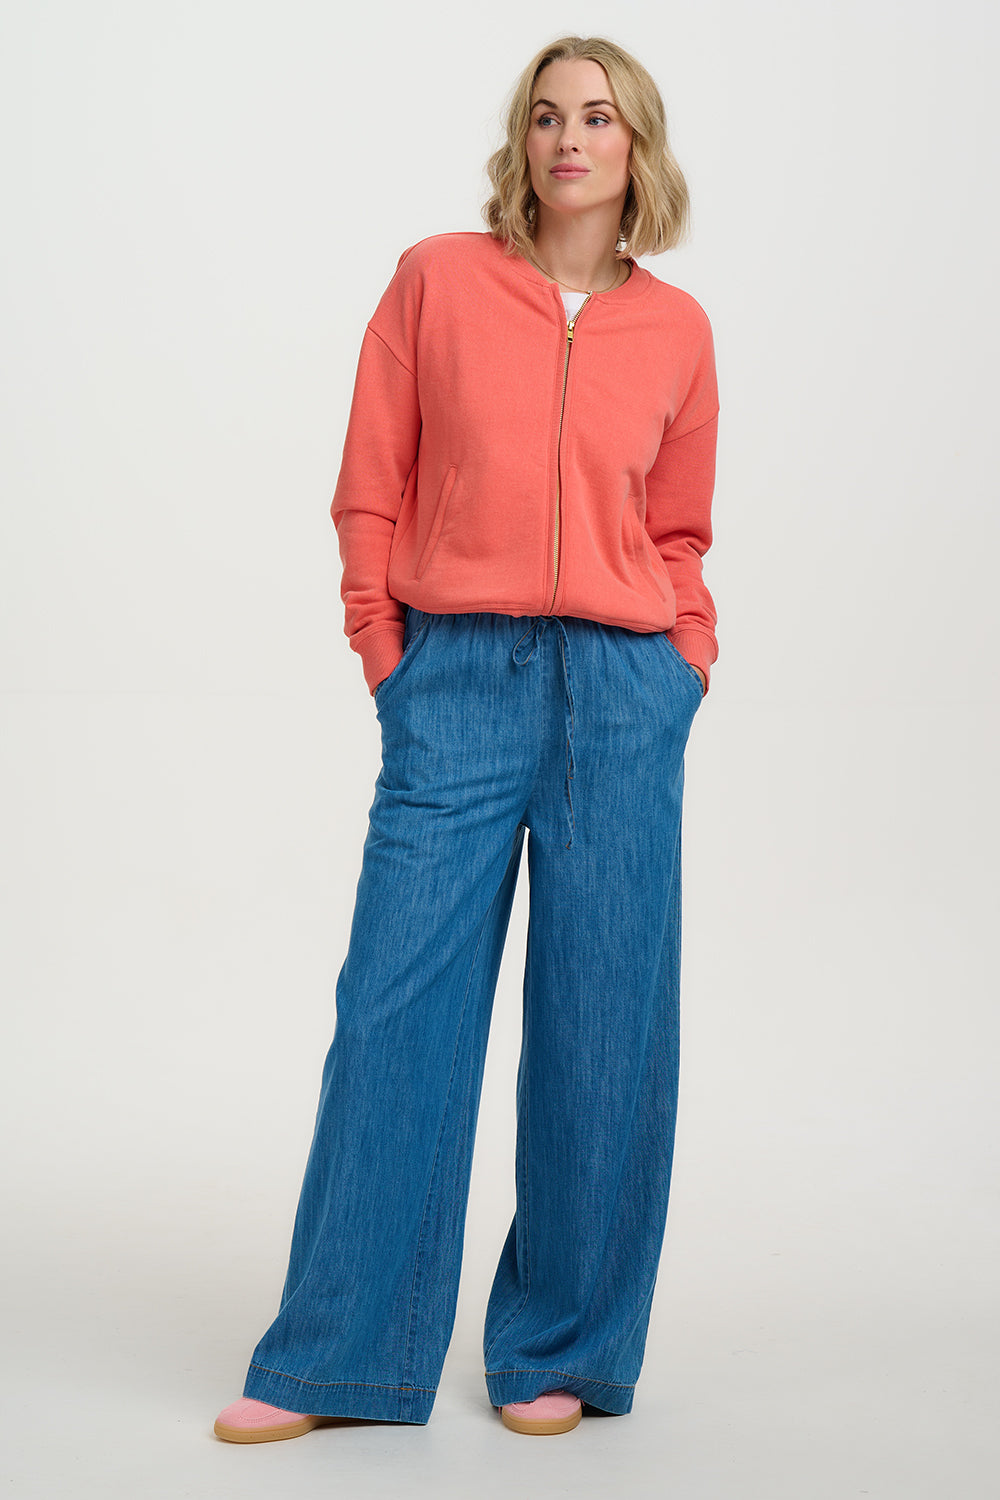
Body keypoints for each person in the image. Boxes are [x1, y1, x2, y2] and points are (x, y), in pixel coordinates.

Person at [214, 31, 719, 1443]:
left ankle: (559, 1345)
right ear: (522, 143)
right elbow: (370, 477)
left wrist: (684, 661)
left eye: (599, 119)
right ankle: (339, 1355)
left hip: (623, 694)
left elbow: (679, 527)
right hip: (459, 678)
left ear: (638, 151)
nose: (570, 139)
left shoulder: (676, 331)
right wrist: (390, 649)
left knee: (604, 1027)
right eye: (547, 116)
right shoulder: (438, 280)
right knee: (396, 1012)